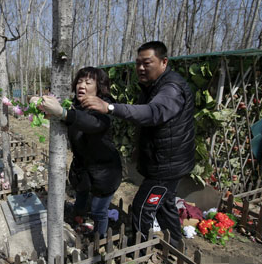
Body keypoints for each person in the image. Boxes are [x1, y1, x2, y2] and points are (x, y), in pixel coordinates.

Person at [81, 41, 195, 248]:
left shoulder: (171, 89)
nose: (141, 68)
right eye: (138, 63)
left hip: (167, 165)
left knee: (143, 207)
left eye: (147, 63)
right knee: (166, 203)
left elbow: (153, 112)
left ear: (163, 62)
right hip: (165, 160)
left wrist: (110, 107)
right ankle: (176, 245)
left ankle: (140, 250)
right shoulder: (152, 86)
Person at [35, 67, 122, 239]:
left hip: (106, 170)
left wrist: (63, 113)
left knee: (99, 210)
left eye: (88, 82)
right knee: (81, 194)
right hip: (83, 167)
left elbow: (93, 123)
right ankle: (79, 217)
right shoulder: (74, 105)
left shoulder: (105, 107)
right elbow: (68, 119)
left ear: (99, 87)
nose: (82, 85)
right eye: (80, 81)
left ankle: (100, 237)